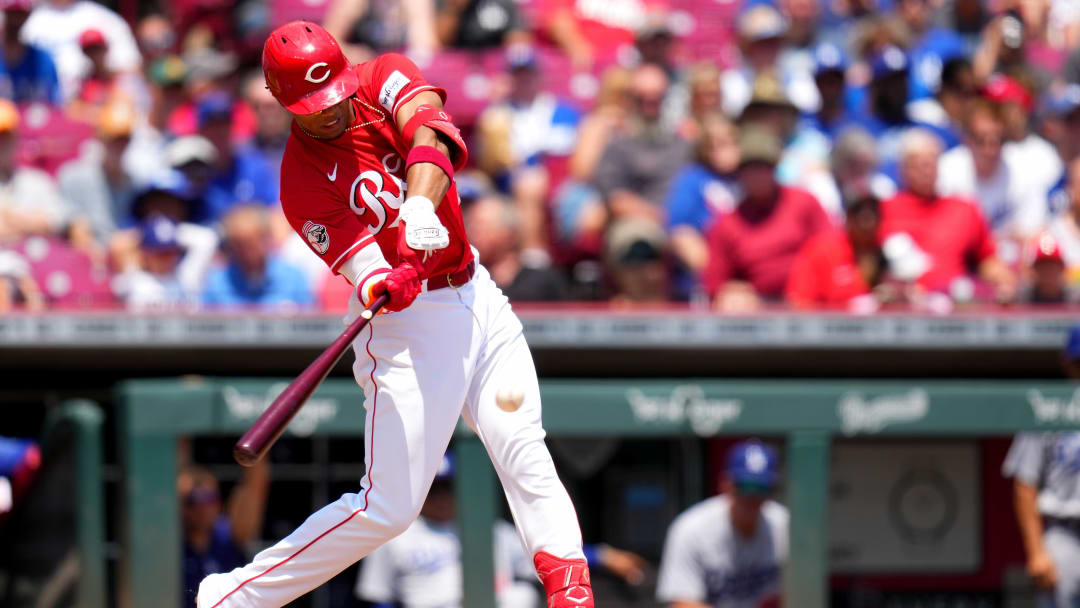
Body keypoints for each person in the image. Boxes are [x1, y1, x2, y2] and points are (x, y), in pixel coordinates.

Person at [195, 22, 595, 607]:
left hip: (476, 290)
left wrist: (418, 206)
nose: (329, 110)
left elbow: (431, 133)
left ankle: (570, 592)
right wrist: (389, 278)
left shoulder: (383, 75)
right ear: (283, 103)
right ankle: (233, 597)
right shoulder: (299, 182)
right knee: (388, 509)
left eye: (333, 93)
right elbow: (364, 270)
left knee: (522, 446)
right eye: (313, 106)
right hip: (409, 326)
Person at [357, 454, 649, 607]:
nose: (442, 497)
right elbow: (379, 597)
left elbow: (544, 554)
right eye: (434, 490)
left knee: (520, 595)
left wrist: (603, 556)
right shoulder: (395, 536)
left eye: (448, 488)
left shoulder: (488, 529)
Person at [703, 125, 830, 312]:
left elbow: (832, 249)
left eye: (764, 167)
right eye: (751, 168)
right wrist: (731, 292)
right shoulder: (727, 224)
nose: (758, 175)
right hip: (759, 312)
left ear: (775, 168)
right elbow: (714, 284)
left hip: (811, 304)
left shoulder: (804, 203)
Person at [879, 128, 1017, 300]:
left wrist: (1005, 281)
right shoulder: (883, 209)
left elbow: (987, 259)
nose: (925, 170)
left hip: (954, 304)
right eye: (917, 164)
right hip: (901, 305)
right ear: (902, 169)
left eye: (930, 163)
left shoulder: (964, 209)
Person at [656, 439, 788, 608]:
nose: (751, 496)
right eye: (744, 486)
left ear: (773, 491)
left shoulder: (785, 526)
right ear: (725, 484)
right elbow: (682, 603)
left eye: (761, 488)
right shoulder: (691, 528)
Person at [1002, 326, 1080, 608]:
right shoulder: (1048, 408)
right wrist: (1036, 551)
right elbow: (1025, 484)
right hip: (1064, 532)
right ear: (1067, 363)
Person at [594, 63, 691, 227]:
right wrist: (660, 219)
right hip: (638, 224)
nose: (649, 105)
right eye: (642, 98)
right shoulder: (617, 141)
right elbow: (614, 197)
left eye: (656, 98)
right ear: (631, 99)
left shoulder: (684, 140)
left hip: (683, 226)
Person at [937, 99, 1047, 241]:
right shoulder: (946, 171)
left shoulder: (1023, 171)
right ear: (967, 140)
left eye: (998, 140)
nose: (990, 150)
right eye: (981, 140)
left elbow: (1035, 230)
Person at [665, 113, 740, 299]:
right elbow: (680, 233)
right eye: (716, 145)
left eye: (730, 143)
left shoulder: (751, 178)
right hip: (705, 278)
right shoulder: (691, 180)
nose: (725, 151)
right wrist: (717, 275)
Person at [179, 456, 270, 607]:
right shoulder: (170, 541)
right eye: (193, 500)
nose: (202, 508)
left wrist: (254, 452)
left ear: (219, 502)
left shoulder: (230, 535)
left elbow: (255, 487)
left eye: (209, 498)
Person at [19, 0, 141, 101]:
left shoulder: (105, 19)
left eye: (96, 50)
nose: (92, 53)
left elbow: (132, 68)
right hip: (37, 100)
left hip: (93, 101)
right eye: (91, 51)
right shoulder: (26, 18)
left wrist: (96, 77)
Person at [786, 188, 886, 310]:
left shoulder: (884, 252)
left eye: (874, 216)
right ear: (849, 218)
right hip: (825, 320)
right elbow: (799, 301)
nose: (869, 224)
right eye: (863, 217)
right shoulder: (822, 250)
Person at [201, 204, 313, 309]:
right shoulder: (217, 283)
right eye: (240, 245)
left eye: (252, 244)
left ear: (267, 238)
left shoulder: (293, 277)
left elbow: (311, 318)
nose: (247, 252)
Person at [0, 99, 68, 241]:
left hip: (33, 253)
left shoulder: (37, 181)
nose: (2, 144)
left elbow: (56, 222)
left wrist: (9, 218)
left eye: (5, 137)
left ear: (16, 139)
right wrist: (28, 222)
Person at [0, 0, 61, 105]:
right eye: (11, 13)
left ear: (28, 15)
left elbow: (54, 105)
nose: (15, 20)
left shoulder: (43, 60)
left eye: (20, 14)